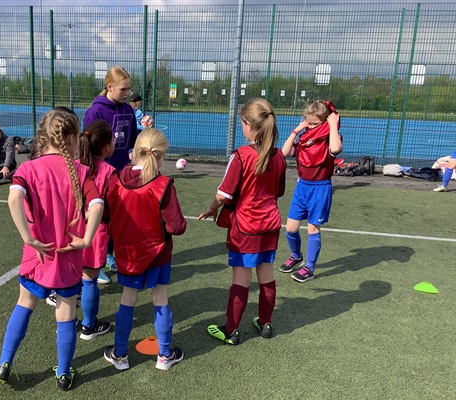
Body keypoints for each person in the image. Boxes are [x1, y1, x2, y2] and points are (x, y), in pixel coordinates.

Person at [0, 109, 104, 391]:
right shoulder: (82, 171)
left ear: (44, 137)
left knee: (24, 305)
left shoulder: (28, 169)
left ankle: (5, 363)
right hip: (69, 257)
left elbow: (13, 198)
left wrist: (28, 238)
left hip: (36, 256)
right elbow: (97, 204)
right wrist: (87, 239)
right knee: (65, 315)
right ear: (74, 138)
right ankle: (63, 375)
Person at [198, 98, 286, 345]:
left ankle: (231, 330)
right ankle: (266, 323)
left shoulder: (241, 156)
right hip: (270, 225)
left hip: (245, 227)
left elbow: (222, 194)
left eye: (242, 123)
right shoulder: (279, 157)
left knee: (241, 279)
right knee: (266, 275)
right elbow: (278, 192)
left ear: (247, 124)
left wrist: (212, 208)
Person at [101, 128, 186, 371]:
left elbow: (105, 216)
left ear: (133, 152)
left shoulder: (115, 180)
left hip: (127, 253)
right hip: (158, 254)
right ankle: (165, 355)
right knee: (160, 299)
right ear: (161, 156)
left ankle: (120, 354)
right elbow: (177, 226)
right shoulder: (163, 185)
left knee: (127, 300)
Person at [46, 119, 116, 338]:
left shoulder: (73, 167)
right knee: (89, 280)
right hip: (94, 233)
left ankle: (65, 320)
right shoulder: (110, 172)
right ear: (107, 147)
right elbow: (111, 207)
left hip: (70, 231)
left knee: (70, 278)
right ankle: (89, 325)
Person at [83, 66, 140, 274]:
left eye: (128, 89)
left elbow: (133, 140)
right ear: (109, 87)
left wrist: (145, 128)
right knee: (99, 218)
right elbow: (87, 145)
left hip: (121, 173)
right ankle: (94, 263)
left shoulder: (128, 110)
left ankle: (109, 255)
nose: (127, 93)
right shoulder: (96, 111)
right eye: (123, 89)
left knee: (118, 216)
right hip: (100, 175)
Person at [279, 100, 342, 283]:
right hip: (302, 187)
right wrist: (297, 130)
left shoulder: (331, 137)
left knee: (313, 228)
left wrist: (332, 125)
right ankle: (296, 255)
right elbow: (284, 152)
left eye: (316, 123)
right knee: (290, 228)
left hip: (320, 189)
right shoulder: (304, 138)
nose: (312, 126)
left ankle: (310, 267)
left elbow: (336, 149)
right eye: (309, 122)